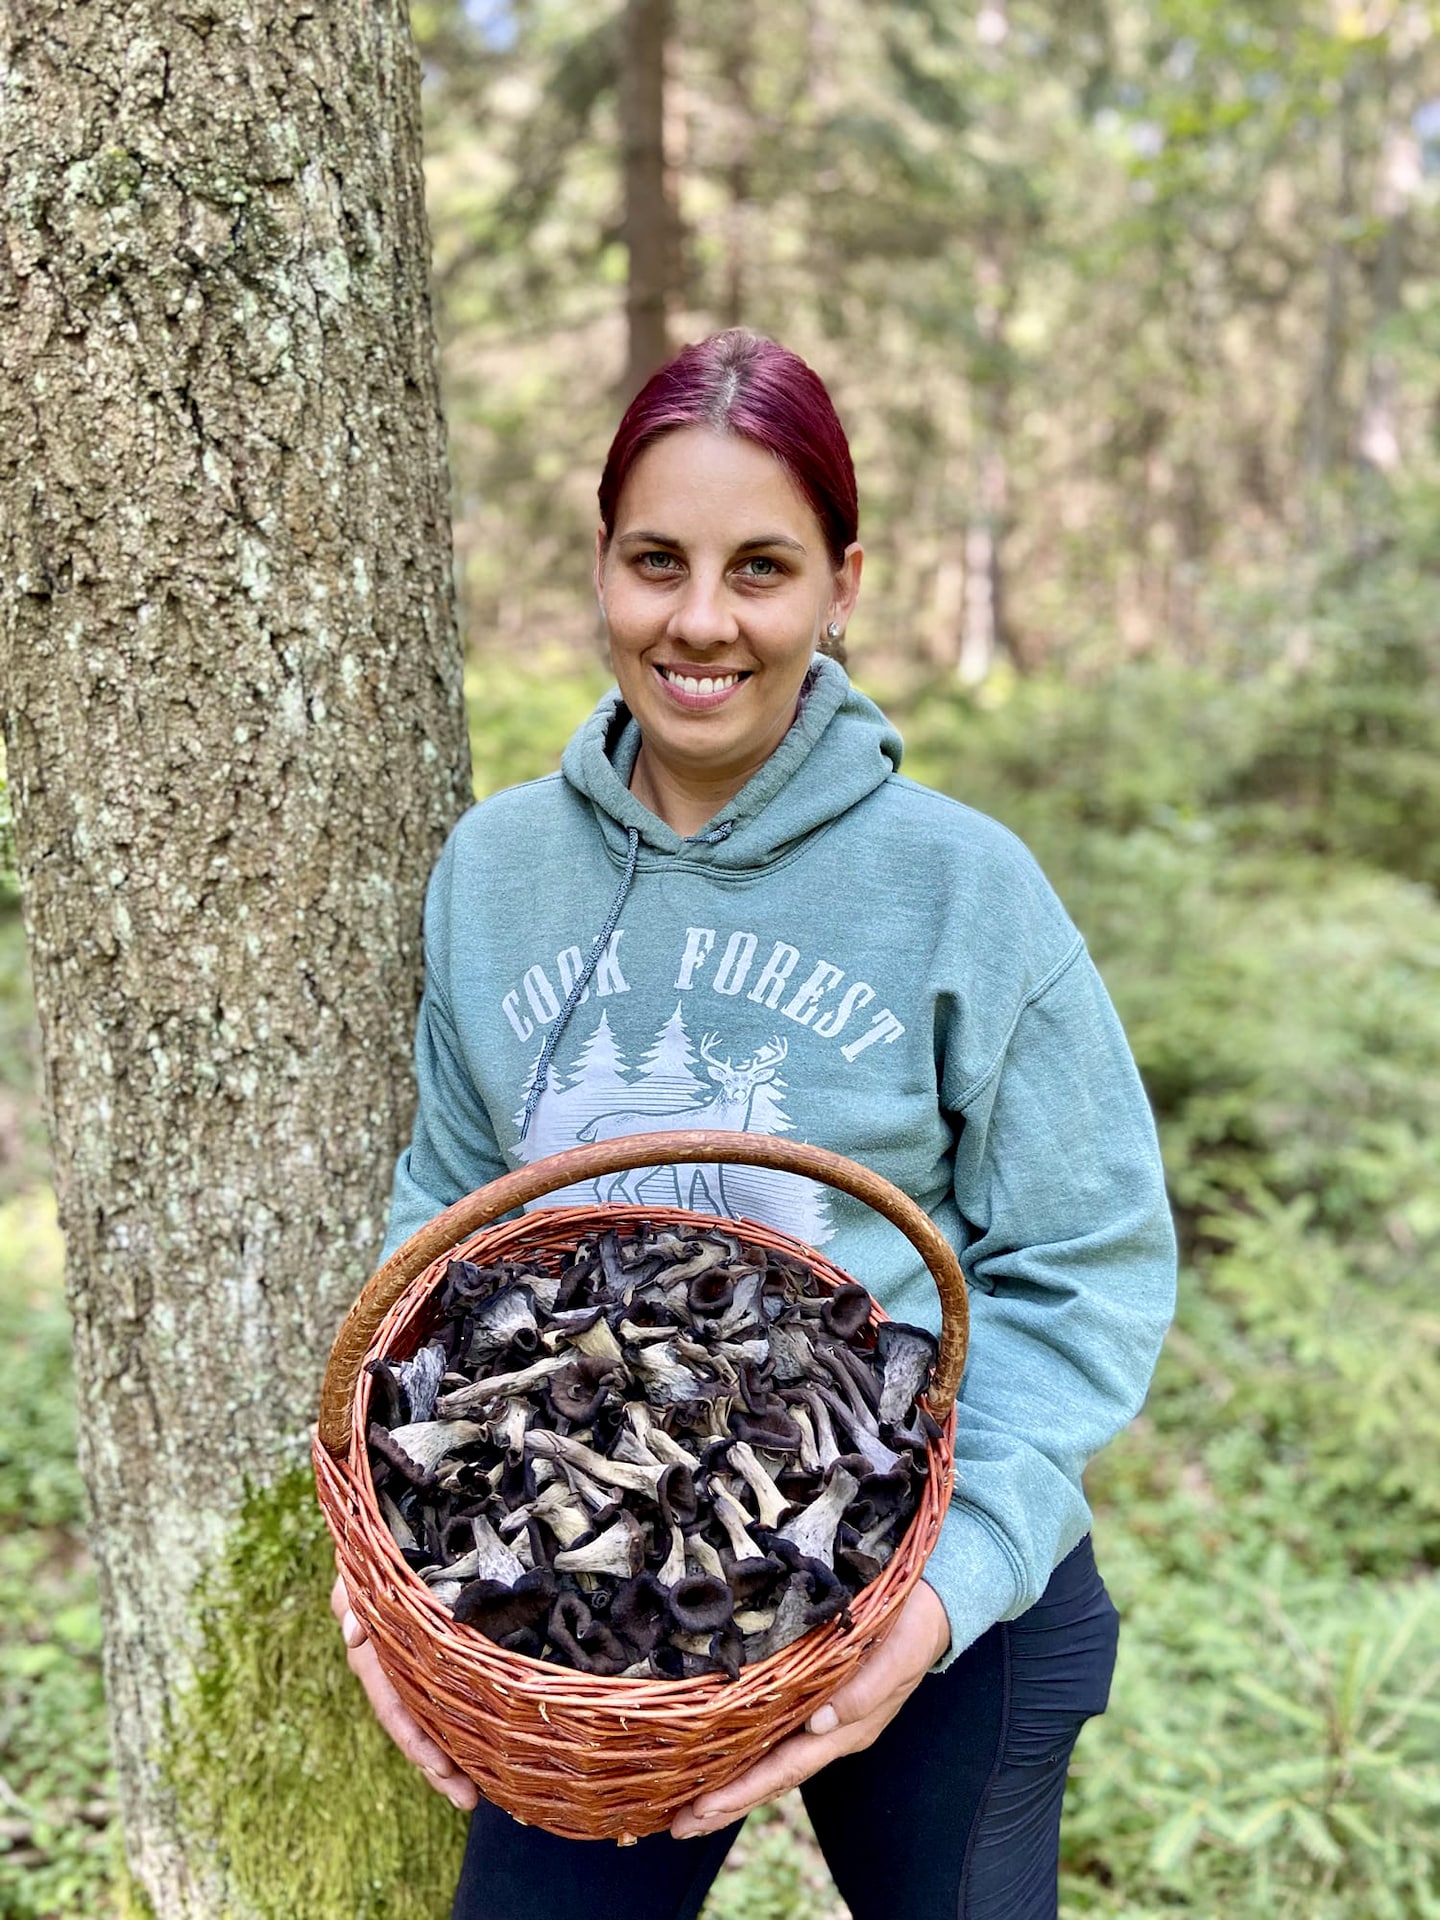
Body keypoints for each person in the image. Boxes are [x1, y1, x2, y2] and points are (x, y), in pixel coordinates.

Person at [331, 328, 1176, 1920]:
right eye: (657, 561)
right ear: (599, 564)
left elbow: (1089, 1259)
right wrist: (391, 1559)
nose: (701, 620)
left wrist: (936, 1597)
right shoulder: (498, 872)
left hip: (932, 1592)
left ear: (842, 583)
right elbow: (444, 1212)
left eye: (762, 568)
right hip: (601, 1623)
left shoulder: (961, 888)